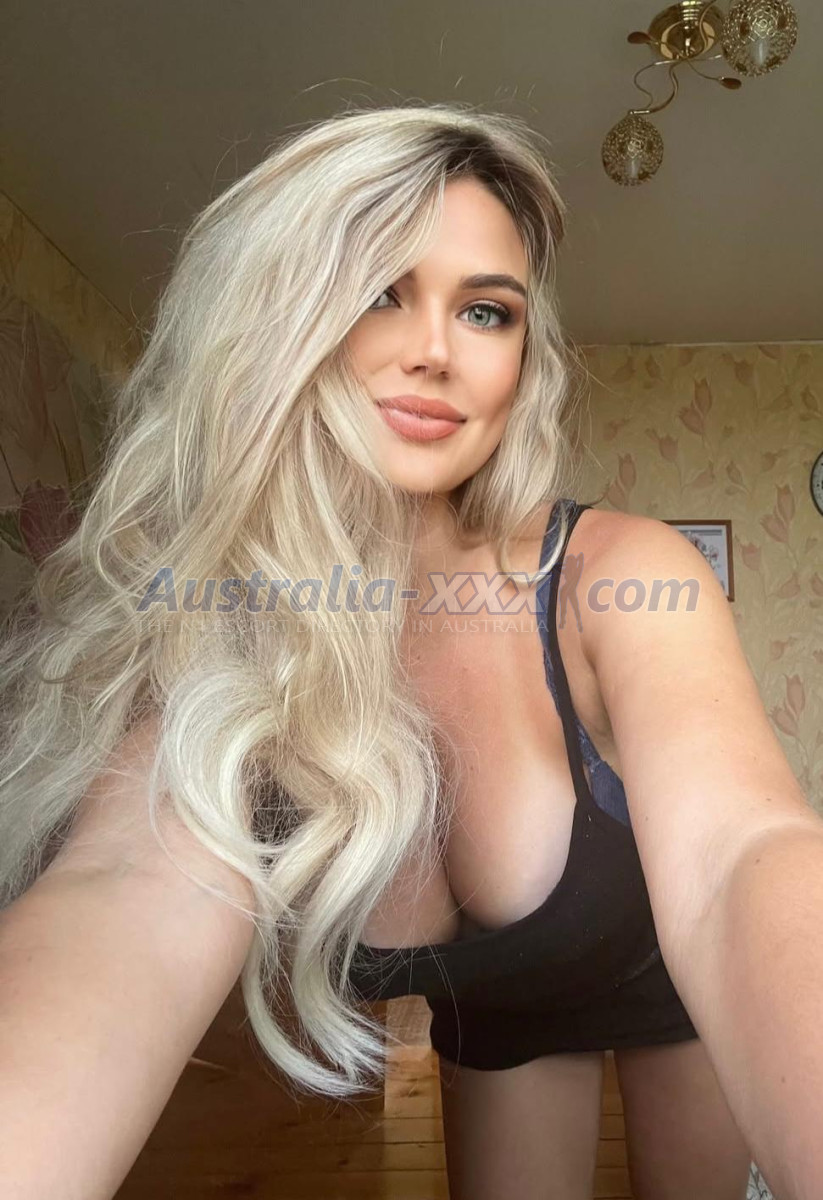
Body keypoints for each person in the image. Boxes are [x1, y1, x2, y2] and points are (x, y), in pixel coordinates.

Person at [0, 102, 820, 1200]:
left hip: (664, 991)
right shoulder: (214, 618)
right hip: (499, 1013)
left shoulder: (620, 575)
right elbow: (122, 894)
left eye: (485, 311)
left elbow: (741, 855)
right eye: (379, 291)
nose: (435, 349)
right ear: (275, 317)